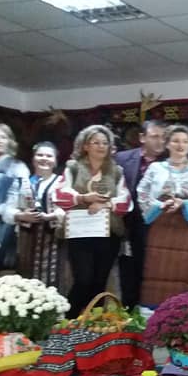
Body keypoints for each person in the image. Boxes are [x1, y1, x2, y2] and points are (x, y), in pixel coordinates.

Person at [54, 125, 132, 312]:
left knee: (99, 282)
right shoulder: (73, 168)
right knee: (83, 280)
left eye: (105, 143)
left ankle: (94, 324)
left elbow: (126, 201)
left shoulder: (116, 171)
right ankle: (69, 320)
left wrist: (106, 204)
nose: (101, 146)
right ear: (85, 146)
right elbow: (58, 195)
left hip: (108, 234)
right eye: (96, 142)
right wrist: (83, 198)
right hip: (80, 233)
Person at [137, 125, 188, 307]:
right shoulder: (156, 168)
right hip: (160, 224)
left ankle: (180, 312)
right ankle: (152, 312)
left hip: (185, 226)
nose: (180, 145)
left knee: (182, 269)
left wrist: (184, 204)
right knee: (156, 267)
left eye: (185, 141)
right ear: (167, 144)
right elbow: (142, 192)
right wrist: (160, 205)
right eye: (176, 141)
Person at [115, 120, 166, 308]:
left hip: (158, 229)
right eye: (155, 136)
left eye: (163, 137)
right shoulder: (121, 159)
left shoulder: (169, 161)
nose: (160, 141)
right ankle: (129, 315)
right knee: (128, 275)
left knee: (154, 277)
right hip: (128, 229)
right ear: (142, 138)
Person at [7, 143, 65, 288]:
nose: (44, 158)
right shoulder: (22, 182)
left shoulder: (62, 182)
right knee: (26, 276)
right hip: (27, 237)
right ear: (33, 159)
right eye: (40, 155)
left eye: (49, 156)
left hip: (54, 238)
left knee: (53, 278)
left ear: (55, 161)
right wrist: (21, 215)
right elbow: (8, 208)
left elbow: (68, 208)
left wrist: (51, 216)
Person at [0, 124, 30, 271]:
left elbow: (19, 198)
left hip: (5, 222)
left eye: (3, 137)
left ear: (10, 141)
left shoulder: (18, 167)